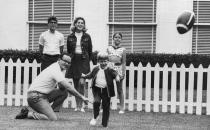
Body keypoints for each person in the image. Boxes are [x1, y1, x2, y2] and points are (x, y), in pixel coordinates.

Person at [15, 54, 89, 121]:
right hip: (35, 97)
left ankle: (49, 111)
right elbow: (68, 87)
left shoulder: (60, 69)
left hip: (41, 95)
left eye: (69, 63)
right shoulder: (55, 69)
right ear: (59, 60)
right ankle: (27, 114)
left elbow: (62, 88)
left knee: (63, 93)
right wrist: (81, 97)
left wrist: (64, 84)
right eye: (65, 61)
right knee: (52, 118)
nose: (67, 64)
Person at [81, 52, 120, 128]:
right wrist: (84, 76)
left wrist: (117, 77)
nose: (103, 63)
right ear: (98, 61)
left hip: (107, 91)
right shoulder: (96, 69)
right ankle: (95, 117)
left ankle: (104, 124)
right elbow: (90, 75)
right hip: (97, 90)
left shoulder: (110, 70)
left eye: (105, 61)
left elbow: (115, 74)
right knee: (96, 102)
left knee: (106, 107)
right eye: (101, 61)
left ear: (108, 61)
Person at [39, 16, 65, 112]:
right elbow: (41, 49)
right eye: (51, 22)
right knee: (46, 81)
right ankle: (44, 104)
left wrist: (58, 59)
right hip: (46, 59)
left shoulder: (60, 35)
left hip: (56, 59)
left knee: (58, 81)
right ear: (48, 24)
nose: (53, 24)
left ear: (57, 24)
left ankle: (56, 106)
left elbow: (61, 50)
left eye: (54, 22)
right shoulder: (43, 35)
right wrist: (45, 57)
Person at [66, 17, 92, 112]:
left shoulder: (87, 36)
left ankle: (82, 106)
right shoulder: (70, 37)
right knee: (76, 83)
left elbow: (90, 50)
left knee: (82, 83)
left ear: (84, 25)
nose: (80, 24)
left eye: (82, 23)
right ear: (75, 24)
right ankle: (77, 106)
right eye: (78, 22)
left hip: (84, 60)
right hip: (74, 60)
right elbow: (69, 50)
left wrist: (87, 62)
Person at [107, 32, 126, 114]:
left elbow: (124, 62)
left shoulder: (123, 49)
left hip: (118, 70)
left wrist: (123, 73)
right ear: (113, 38)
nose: (117, 39)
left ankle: (121, 108)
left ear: (121, 39)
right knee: (108, 89)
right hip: (110, 69)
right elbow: (106, 59)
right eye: (115, 37)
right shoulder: (108, 48)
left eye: (119, 37)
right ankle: (105, 106)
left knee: (119, 89)